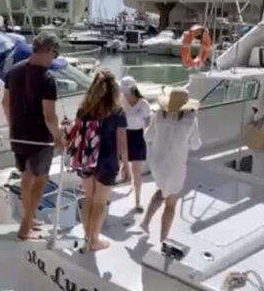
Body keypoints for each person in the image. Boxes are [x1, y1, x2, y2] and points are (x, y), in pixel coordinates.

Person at [2, 31, 62, 241]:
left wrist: (13, 125)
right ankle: (25, 228)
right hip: (39, 138)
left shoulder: (13, 72)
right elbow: (49, 115)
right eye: (54, 54)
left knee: (26, 177)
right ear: (48, 50)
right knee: (40, 180)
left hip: (17, 135)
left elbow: (5, 103)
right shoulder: (47, 78)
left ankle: (28, 218)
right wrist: (58, 138)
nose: (53, 58)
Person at [72, 70, 128, 251]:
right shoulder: (117, 112)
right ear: (114, 89)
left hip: (86, 158)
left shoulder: (84, 109)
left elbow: (76, 132)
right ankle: (94, 241)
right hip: (107, 160)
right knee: (100, 202)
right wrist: (125, 164)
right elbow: (121, 143)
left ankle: (87, 237)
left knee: (88, 198)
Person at [141, 87, 201, 244]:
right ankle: (163, 240)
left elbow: (148, 136)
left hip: (158, 163)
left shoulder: (159, 115)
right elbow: (195, 145)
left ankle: (146, 221)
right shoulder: (190, 120)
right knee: (171, 203)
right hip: (175, 166)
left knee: (162, 191)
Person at [119, 76, 151, 212]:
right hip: (123, 136)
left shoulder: (143, 104)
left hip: (138, 137)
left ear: (133, 88)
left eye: (126, 90)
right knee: (119, 168)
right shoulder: (120, 102)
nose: (125, 93)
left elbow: (148, 123)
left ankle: (137, 201)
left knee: (137, 172)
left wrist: (149, 140)